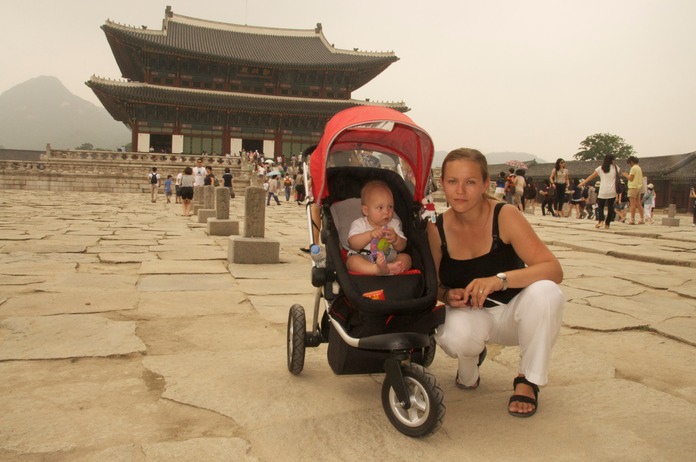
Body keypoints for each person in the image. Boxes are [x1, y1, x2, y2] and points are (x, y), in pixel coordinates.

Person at [427, 148, 564, 418]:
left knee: (547, 292)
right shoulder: (436, 227)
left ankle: (527, 380)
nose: (460, 191)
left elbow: (553, 269)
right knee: (457, 337)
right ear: (442, 183)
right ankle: (469, 366)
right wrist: (446, 294)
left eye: (470, 182)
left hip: (515, 315)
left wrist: (500, 280)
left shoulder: (505, 215)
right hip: (472, 315)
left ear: (485, 184)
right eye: (452, 181)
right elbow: (434, 284)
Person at [346, 180, 412, 276]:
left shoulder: (394, 224)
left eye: (390, 207)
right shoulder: (360, 223)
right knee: (352, 261)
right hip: (364, 258)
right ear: (366, 210)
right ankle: (376, 269)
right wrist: (369, 235)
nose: (387, 212)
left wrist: (396, 239)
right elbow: (352, 244)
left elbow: (402, 247)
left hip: (388, 259)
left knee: (406, 258)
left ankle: (390, 268)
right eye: (380, 208)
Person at [579, 154, 620, 229]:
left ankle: (601, 220)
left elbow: (591, 176)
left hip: (603, 191)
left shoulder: (601, 168)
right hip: (612, 190)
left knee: (600, 206)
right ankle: (607, 224)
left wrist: (583, 182)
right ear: (612, 160)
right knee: (610, 207)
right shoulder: (616, 168)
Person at [621, 156, 644, 224]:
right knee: (638, 203)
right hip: (638, 187)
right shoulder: (639, 168)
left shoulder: (633, 168)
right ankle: (642, 218)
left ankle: (632, 219)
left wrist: (625, 175)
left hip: (633, 186)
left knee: (632, 204)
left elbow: (630, 178)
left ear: (631, 162)